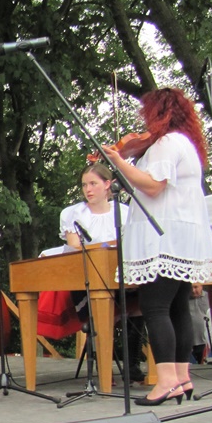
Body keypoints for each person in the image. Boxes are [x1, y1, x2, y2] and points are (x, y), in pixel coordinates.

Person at [102, 87, 212, 405]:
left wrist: (118, 161)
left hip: (163, 235)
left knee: (154, 306)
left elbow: (153, 186)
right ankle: (181, 377)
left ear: (159, 112)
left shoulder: (166, 144)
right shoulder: (185, 143)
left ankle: (165, 381)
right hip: (182, 233)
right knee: (178, 306)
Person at [59, 163, 146, 383]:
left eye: (93, 184)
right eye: (84, 185)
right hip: (86, 279)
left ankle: (132, 364)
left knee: (143, 299)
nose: (87, 189)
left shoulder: (124, 213)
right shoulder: (74, 214)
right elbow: (75, 247)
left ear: (108, 184)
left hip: (122, 277)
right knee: (101, 302)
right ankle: (103, 367)